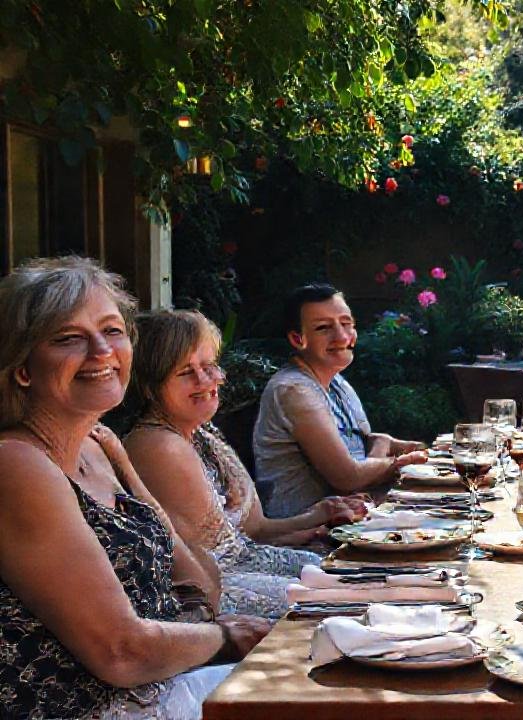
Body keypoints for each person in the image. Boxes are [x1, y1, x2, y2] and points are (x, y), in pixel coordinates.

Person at [0, 256, 268, 719]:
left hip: (165, 685)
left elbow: (201, 583)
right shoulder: (17, 464)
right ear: (22, 368)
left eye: (112, 330)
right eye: (68, 338)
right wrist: (225, 638)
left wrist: (127, 471)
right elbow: (120, 651)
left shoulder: (99, 450)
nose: (102, 351)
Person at [125, 309, 366, 618]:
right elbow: (217, 559)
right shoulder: (158, 445)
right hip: (210, 591)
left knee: (353, 575)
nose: (206, 380)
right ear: (150, 386)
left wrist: (319, 515)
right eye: (186, 372)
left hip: (245, 564)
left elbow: (254, 529)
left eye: (209, 366)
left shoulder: (201, 433)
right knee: (343, 600)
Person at [255, 283, 429, 517]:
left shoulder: (336, 382)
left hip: (354, 516)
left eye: (346, 324)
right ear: (298, 339)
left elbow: (365, 449)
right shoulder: (294, 390)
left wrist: (412, 448)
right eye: (324, 328)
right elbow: (348, 478)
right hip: (311, 534)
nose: (342, 336)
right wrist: (395, 458)